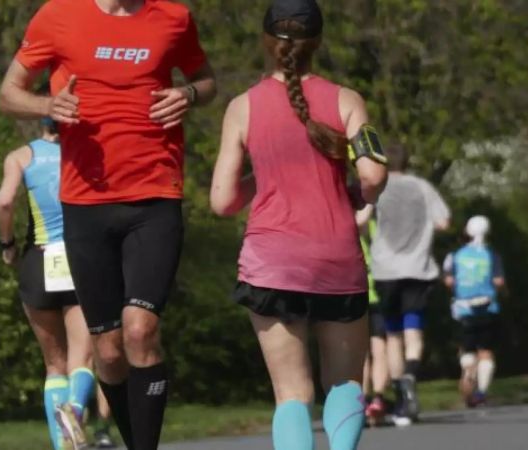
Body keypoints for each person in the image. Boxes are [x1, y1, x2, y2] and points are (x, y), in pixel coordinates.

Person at [0, 1, 216, 448]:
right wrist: (47, 103)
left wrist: (189, 95)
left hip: (155, 195)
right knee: (109, 350)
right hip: (85, 203)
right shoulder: (58, 15)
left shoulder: (172, 17)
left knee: (141, 328)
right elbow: (8, 94)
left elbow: (207, 81)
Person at [209, 1, 388, 449]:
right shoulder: (347, 100)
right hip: (336, 257)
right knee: (345, 383)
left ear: (267, 42)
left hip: (272, 262)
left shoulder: (242, 107)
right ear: (319, 42)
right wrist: (356, 194)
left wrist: (265, 174)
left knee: (290, 393)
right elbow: (373, 175)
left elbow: (222, 201)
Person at [0, 117, 95, 450]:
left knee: (54, 364)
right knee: (83, 358)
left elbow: (5, 201)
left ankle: (61, 444)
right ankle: (76, 411)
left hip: (39, 260)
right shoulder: (87, 152)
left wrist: (6, 244)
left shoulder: (21, 156)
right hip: (80, 257)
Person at [368, 143, 450, 425]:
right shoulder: (421, 187)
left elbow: (362, 219)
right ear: (407, 160)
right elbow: (443, 222)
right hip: (417, 268)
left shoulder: (378, 187)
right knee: (413, 331)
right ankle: (411, 374)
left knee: (392, 335)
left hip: (385, 269)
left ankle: (402, 397)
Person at [443, 215, 505, 408]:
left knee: (466, 347)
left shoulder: (456, 254)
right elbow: (498, 281)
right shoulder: (491, 254)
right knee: (486, 351)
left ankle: (468, 370)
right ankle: (481, 392)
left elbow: (449, 279)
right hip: (487, 306)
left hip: (463, 308)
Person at [357, 206, 389, 426]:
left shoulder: (341, 224)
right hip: (375, 292)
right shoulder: (374, 226)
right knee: (378, 349)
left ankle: (367, 399)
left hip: (358, 293)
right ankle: (376, 398)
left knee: (364, 353)